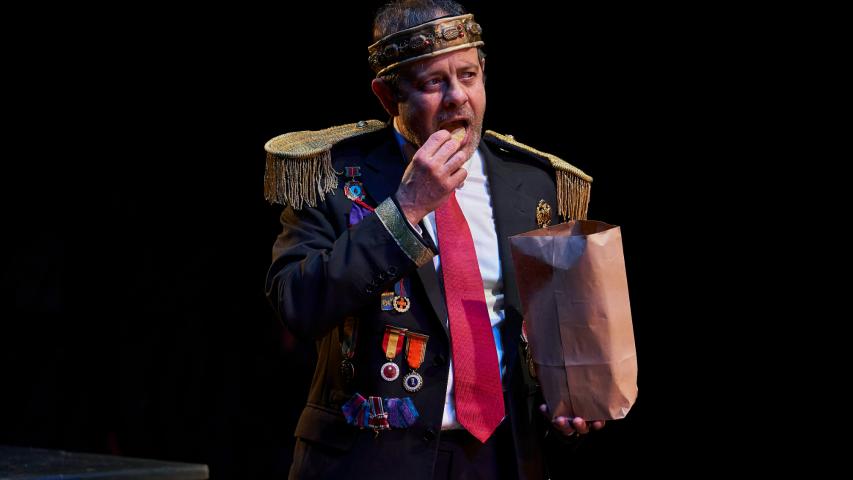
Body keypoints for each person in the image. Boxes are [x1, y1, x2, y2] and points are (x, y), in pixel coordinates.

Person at [265, 1, 603, 478]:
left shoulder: (532, 182)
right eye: (433, 83)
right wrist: (404, 209)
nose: (457, 97)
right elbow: (297, 303)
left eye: (468, 76)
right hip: (373, 460)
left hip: (501, 457)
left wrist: (570, 402)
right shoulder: (333, 175)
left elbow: (554, 327)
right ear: (388, 96)